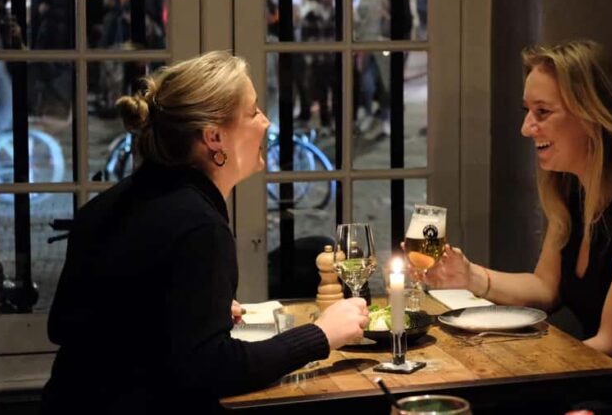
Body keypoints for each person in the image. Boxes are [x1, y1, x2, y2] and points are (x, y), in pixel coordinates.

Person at [41, 51, 369, 415]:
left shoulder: (108, 204)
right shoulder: (199, 225)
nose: (265, 122)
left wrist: (178, 310)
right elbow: (213, 369)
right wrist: (321, 334)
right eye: (253, 112)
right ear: (214, 137)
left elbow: (66, 324)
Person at [420, 39, 612, 413]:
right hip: (601, 386)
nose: (526, 128)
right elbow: (546, 288)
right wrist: (470, 276)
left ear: (593, 116)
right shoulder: (574, 192)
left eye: (542, 112)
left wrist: (510, 370)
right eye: (527, 111)